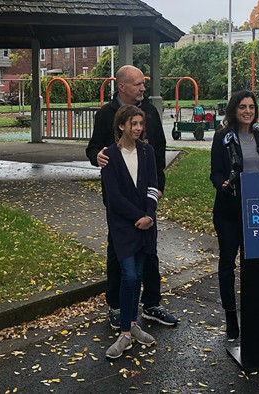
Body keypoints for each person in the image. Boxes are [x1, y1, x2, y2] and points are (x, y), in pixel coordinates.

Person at [86, 65, 178, 329]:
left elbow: (158, 150)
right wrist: (96, 156)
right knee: (118, 250)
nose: (142, 88)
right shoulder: (106, 114)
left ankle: (151, 303)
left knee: (149, 249)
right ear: (122, 86)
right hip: (118, 198)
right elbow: (93, 148)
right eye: (137, 84)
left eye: (143, 84)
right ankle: (116, 305)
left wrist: (159, 186)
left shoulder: (148, 111)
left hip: (146, 196)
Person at [209, 90, 259, 339]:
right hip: (229, 211)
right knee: (228, 262)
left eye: (251, 107)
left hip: (257, 212)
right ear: (233, 110)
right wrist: (224, 185)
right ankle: (230, 317)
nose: (247, 111)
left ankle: (255, 313)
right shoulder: (222, 137)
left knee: (256, 264)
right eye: (242, 107)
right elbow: (215, 172)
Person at [102, 104, 159, 359]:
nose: (137, 128)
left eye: (140, 124)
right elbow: (113, 198)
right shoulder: (110, 156)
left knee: (137, 273)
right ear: (121, 126)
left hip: (145, 223)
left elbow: (152, 187)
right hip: (124, 225)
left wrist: (149, 215)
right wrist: (139, 216)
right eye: (133, 124)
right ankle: (125, 333)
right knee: (128, 274)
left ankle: (132, 326)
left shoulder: (147, 152)